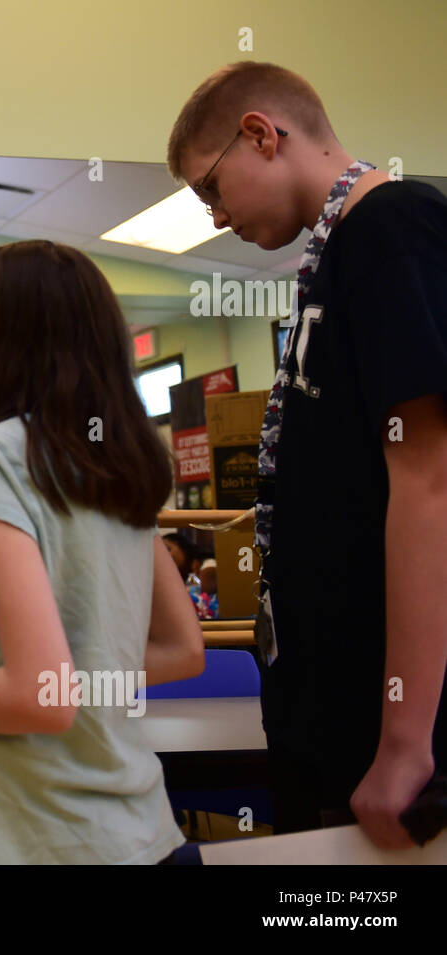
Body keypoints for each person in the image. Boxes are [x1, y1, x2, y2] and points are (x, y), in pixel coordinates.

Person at [168, 61, 447, 846]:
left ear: (260, 133)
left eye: (211, 188)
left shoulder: (395, 229)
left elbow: (429, 484)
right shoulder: (328, 261)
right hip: (321, 719)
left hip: (388, 737)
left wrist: (404, 742)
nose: (217, 214)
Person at [0, 241, 204, 864]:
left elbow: (38, 697)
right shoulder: (118, 459)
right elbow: (181, 651)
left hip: (40, 837)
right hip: (144, 832)